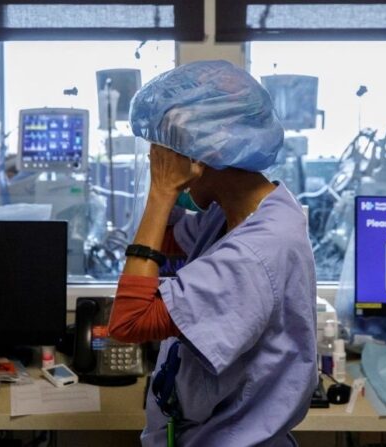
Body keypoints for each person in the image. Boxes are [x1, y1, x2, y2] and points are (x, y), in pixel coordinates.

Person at [108, 60, 317, 446]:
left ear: (201, 157)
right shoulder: (242, 212)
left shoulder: (256, 251)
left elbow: (128, 322)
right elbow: (164, 243)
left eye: (169, 154)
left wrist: (162, 192)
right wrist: (166, 190)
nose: (162, 166)